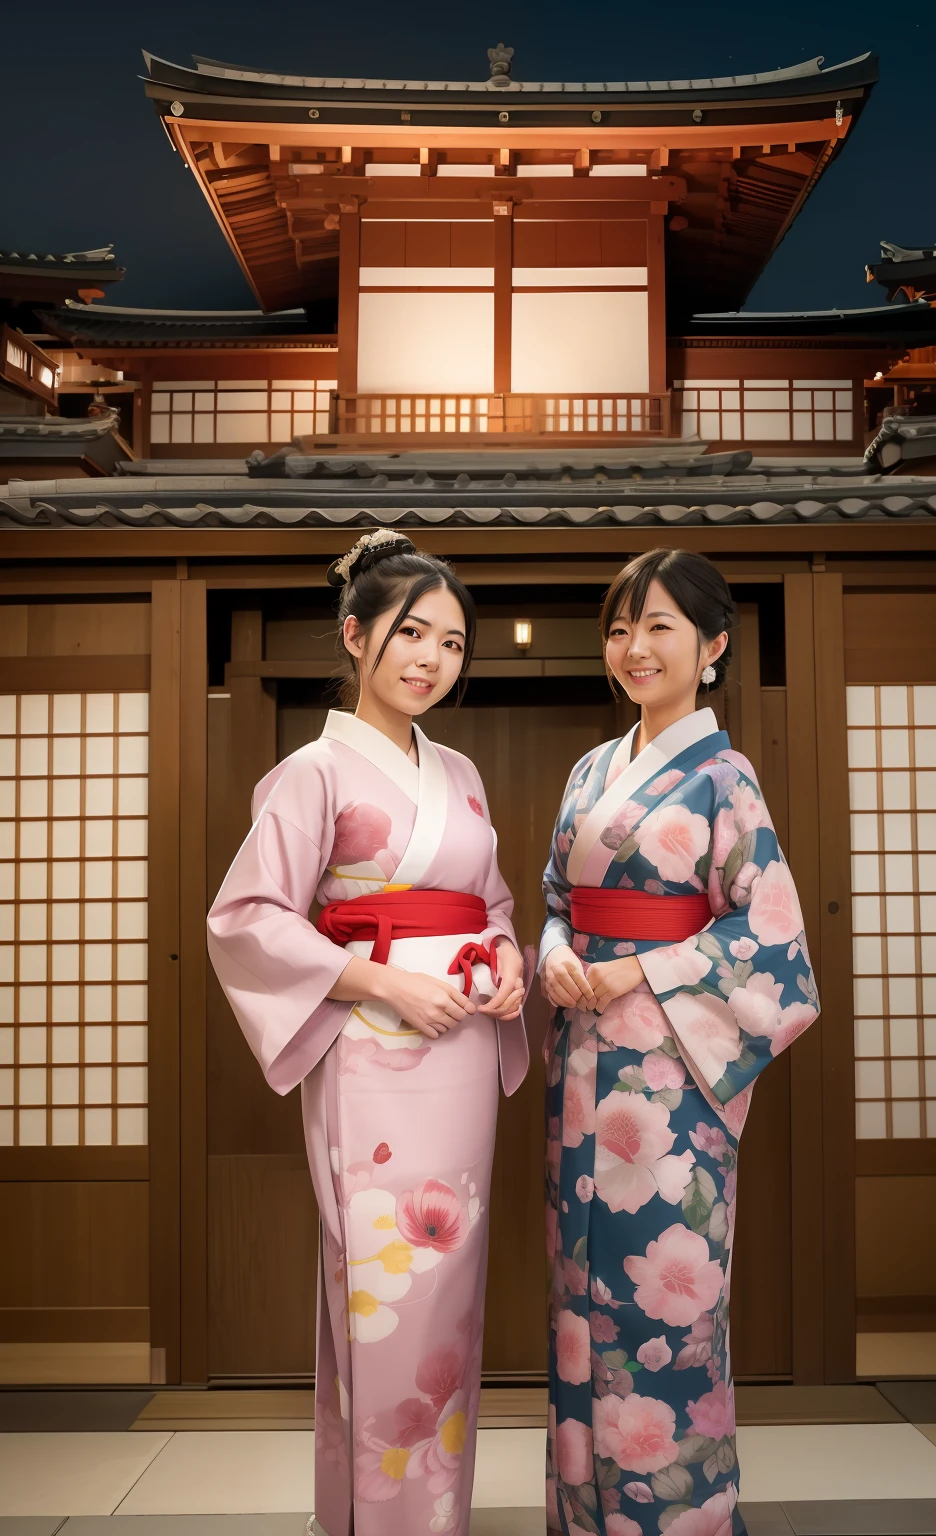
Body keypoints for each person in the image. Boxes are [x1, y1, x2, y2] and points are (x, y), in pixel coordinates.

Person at [207, 529, 528, 1536]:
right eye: (410, 634)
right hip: (373, 1052)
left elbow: (495, 900)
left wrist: (510, 956)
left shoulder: (464, 771)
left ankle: (425, 1517)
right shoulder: (312, 772)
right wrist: (381, 977)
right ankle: (387, 1518)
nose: (431, 659)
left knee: (451, 1287)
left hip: (463, 1045)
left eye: (451, 643)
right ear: (356, 637)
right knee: (382, 1281)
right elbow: (249, 918)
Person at [539, 548, 819, 1536]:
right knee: (581, 1289)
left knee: (667, 1299)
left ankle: (680, 1519)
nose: (633, 647)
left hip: (670, 1078)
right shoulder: (588, 769)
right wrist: (552, 952)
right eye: (620, 627)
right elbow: (554, 901)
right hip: (580, 1068)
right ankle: (585, 1516)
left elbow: (771, 936)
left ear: (712, 646)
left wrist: (638, 970)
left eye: (657, 625)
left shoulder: (722, 776)